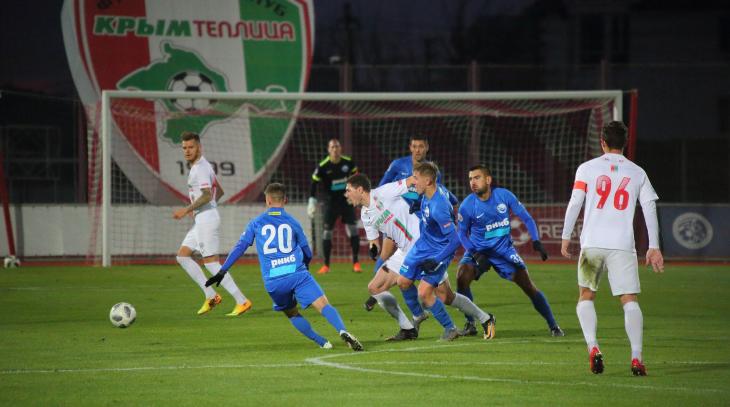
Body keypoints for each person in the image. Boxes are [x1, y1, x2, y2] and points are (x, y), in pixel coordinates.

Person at [206, 183, 363, 351]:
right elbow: (307, 252)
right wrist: (305, 267)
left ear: (267, 200)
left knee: (292, 313)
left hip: (274, 281)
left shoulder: (255, 223)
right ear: (285, 200)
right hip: (297, 273)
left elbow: (240, 247)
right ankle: (342, 330)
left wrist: (222, 271)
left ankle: (322, 342)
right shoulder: (293, 222)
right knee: (324, 305)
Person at [561, 121, 664, 376]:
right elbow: (649, 206)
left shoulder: (587, 168)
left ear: (603, 143)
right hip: (622, 245)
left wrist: (565, 236)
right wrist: (654, 246)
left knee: (586, 295)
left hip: (592, 244)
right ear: (624, 143)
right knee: (629, 300)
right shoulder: (637, 172)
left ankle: (593, 347)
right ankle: (637, 358)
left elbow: (575, 202)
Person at [347, 173, 496, 341]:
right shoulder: (365, 214)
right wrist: (373, 248)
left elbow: (411, 181)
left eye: (348, 190)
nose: (346, 194)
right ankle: (409, 326)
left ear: (360, 190)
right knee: (376, 287)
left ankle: (484, 317)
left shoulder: (384, 192)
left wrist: (429, 187)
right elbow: (373, 240)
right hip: (404, 251)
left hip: (424, 245)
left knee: (446, 296)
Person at [456, 165, 563, 337]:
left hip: (503, 251)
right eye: (470, 179)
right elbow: (461, 233)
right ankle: (471, 323)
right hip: (479, 252)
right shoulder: (467, 205)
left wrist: (536, 241)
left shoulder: (504, 196)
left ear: (488, 180)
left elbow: (527, 218)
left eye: (477, 178)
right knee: (461, 277)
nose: (473, 182)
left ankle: (553, 326)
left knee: (528, 286)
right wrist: (474, 252)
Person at [397, 162, 495, 341]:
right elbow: (454, 201)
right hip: (423, 246)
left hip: (439, 251)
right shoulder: (435, 191)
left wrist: (437, 259)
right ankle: (420, 316)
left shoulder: (438, 207)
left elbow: (455, 239)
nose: (412, 182)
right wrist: (419, 205)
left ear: (428, 181)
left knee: (424, 293)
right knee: (405, 282)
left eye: (416, 179)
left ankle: (450, 328)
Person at [172, 131, 252, 316]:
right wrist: (203, 209)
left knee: (211, 263)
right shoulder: (202, 166)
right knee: (183, 256)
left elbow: (208, 195)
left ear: (199, 147)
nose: (187, 151)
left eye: (191, 147)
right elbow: (219, 191)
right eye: (184, 148)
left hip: (206, 220)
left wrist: (187, 209)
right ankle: (211, 295)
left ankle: (242, 301)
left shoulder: (200, 168)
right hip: (203, 218)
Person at [307, 139, 361, 274]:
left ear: (340, 148)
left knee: (353, 230)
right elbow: (314, 182)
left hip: (346, 201)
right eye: (332, 147)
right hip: (330, 203)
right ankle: (326, 265)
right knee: (327, 232)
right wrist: (312, 200)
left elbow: (357, 178)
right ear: (328, 150)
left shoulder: (348, 162)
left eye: (337, 146)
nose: (335, 149)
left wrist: (356, 195)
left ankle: (356, 262)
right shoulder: (323, 166)